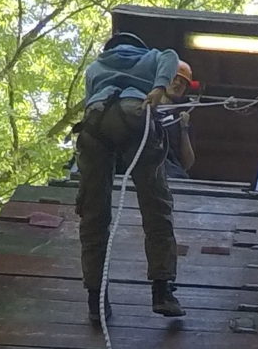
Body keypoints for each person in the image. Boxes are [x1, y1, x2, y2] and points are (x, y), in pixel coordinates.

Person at [73, 31, 197, 322]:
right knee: (156, 208)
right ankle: (162, 291)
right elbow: (171, 56)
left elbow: (90, 100)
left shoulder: (96, 67)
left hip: (96, 119)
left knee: (94, 215)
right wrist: (159, 86)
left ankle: (95, 298)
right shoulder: (150, 56)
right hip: (135, 113)